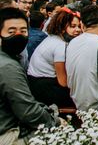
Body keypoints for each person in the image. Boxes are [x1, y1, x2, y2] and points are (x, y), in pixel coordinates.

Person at [0, 8, 61, 142]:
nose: (18, 35)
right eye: (11, 32)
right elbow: (28, 112)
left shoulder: (10, 60)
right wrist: (56, 122)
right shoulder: (8, 67)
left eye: (23, 31)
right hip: (7, 134)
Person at [27, 7, 82, 108]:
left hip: (35, 83)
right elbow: (63, 82)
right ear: (62, 27)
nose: (77, 30)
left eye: (79, 26)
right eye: (72, 26)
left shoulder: (52, 39)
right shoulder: (60, 46)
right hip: (44, 87)